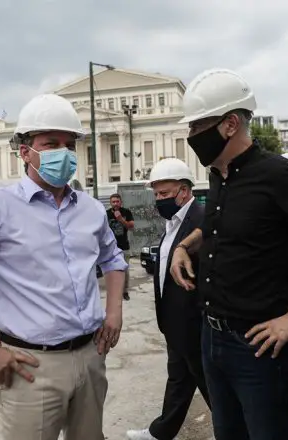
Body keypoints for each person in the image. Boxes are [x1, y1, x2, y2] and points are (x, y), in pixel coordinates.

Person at [0, 93, 128, 440]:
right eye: (50, 143)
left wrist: (114, 312)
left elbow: (114, 260)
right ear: (25, 152)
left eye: (68, 143)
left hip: (91, 356)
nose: (62, 152)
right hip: (32, 367)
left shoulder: (91, 209)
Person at [170, 68, 288, 440]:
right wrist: (186, 246)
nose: (191, 137)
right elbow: (224, 226)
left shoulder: (279, 177)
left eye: (198, 126)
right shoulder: (220, 176)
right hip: (213, 337)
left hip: (258, 348)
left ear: (230, 124)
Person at [127, 158, 210, 440]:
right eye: (156, 195)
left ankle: (235, 431)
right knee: (179, 381)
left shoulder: (201, 221)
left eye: (164, 194)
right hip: (175, 323)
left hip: (194, 323)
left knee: (210, 385)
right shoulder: (173, 222)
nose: (158, 200)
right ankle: (160, 433)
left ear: (184, 192)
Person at [107, 194, 134, 300]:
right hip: (111, 248)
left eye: (117, 201)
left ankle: (125, 291)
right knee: (112, 272)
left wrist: (121, 219)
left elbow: (131, 227)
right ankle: (114, 292)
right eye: (113, 202)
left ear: (121, 202)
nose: (115, 204)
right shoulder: (106, 214)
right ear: (110, 203)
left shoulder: (126, 212)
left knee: (125, 271)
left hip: (124, 247)